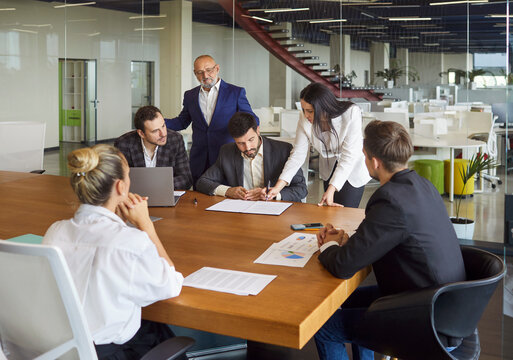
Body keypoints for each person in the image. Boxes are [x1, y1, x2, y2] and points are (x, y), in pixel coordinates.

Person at [314, 120, 466, 360]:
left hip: (426, 318)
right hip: (443, 304)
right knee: (346, 301)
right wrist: (346, 240)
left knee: (323, 325)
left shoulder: (389, 199)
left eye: (364, 156)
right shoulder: (422, 185)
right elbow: (388, 234)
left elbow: (343, 266)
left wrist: (328, 246)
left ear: (374, 162)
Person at [42, 144, 185, 360]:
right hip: (110, 353)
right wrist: (146, 226)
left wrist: (118, 223)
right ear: (120, 187)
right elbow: (170, 284)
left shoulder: (56, 231)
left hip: (62, 351)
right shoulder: (131, 241)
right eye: (128, 176)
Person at [267, 82, 370, 208]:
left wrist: (332, 189)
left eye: (309, 111)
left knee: (345, 212)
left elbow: (348, 156)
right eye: (303, 110)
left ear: (323, 107)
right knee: (330, 213)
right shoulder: (305, 118)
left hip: (352, 169)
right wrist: (278, 186)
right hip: (329, 167)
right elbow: (297, 155)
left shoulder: (351, 113)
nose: (306, 115)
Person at [165, 55, 258, 185]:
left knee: (228, 197)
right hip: (199, 159)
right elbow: (182, 122)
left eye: (209, 70)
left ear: (217, 68)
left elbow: (252, 120)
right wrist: (159, 122)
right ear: (195, 74)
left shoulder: (235, 92)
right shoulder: (190, 95)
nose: (205, 75)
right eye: (200, 72)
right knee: (199, 198)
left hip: (228, 156)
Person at [196, 112, 307, 202]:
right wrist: (228, 191)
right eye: (240, 143)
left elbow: (301, 189)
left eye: (251, 140)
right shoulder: (227, 152)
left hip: (276, 211)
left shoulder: (283, 150)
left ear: (258, 130)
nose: (248, 147)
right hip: (242, 213)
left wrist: (274, 195)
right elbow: (202, 182)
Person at [115, 105, 193, 190]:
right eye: (155, 131)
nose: (163, 134)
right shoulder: (123, 144)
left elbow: (186, 179)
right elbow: (117, 180)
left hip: (165, 194)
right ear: (141, 133)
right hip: (136, 197)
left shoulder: (175, 140)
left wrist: (157, 186)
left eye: (163, 126)